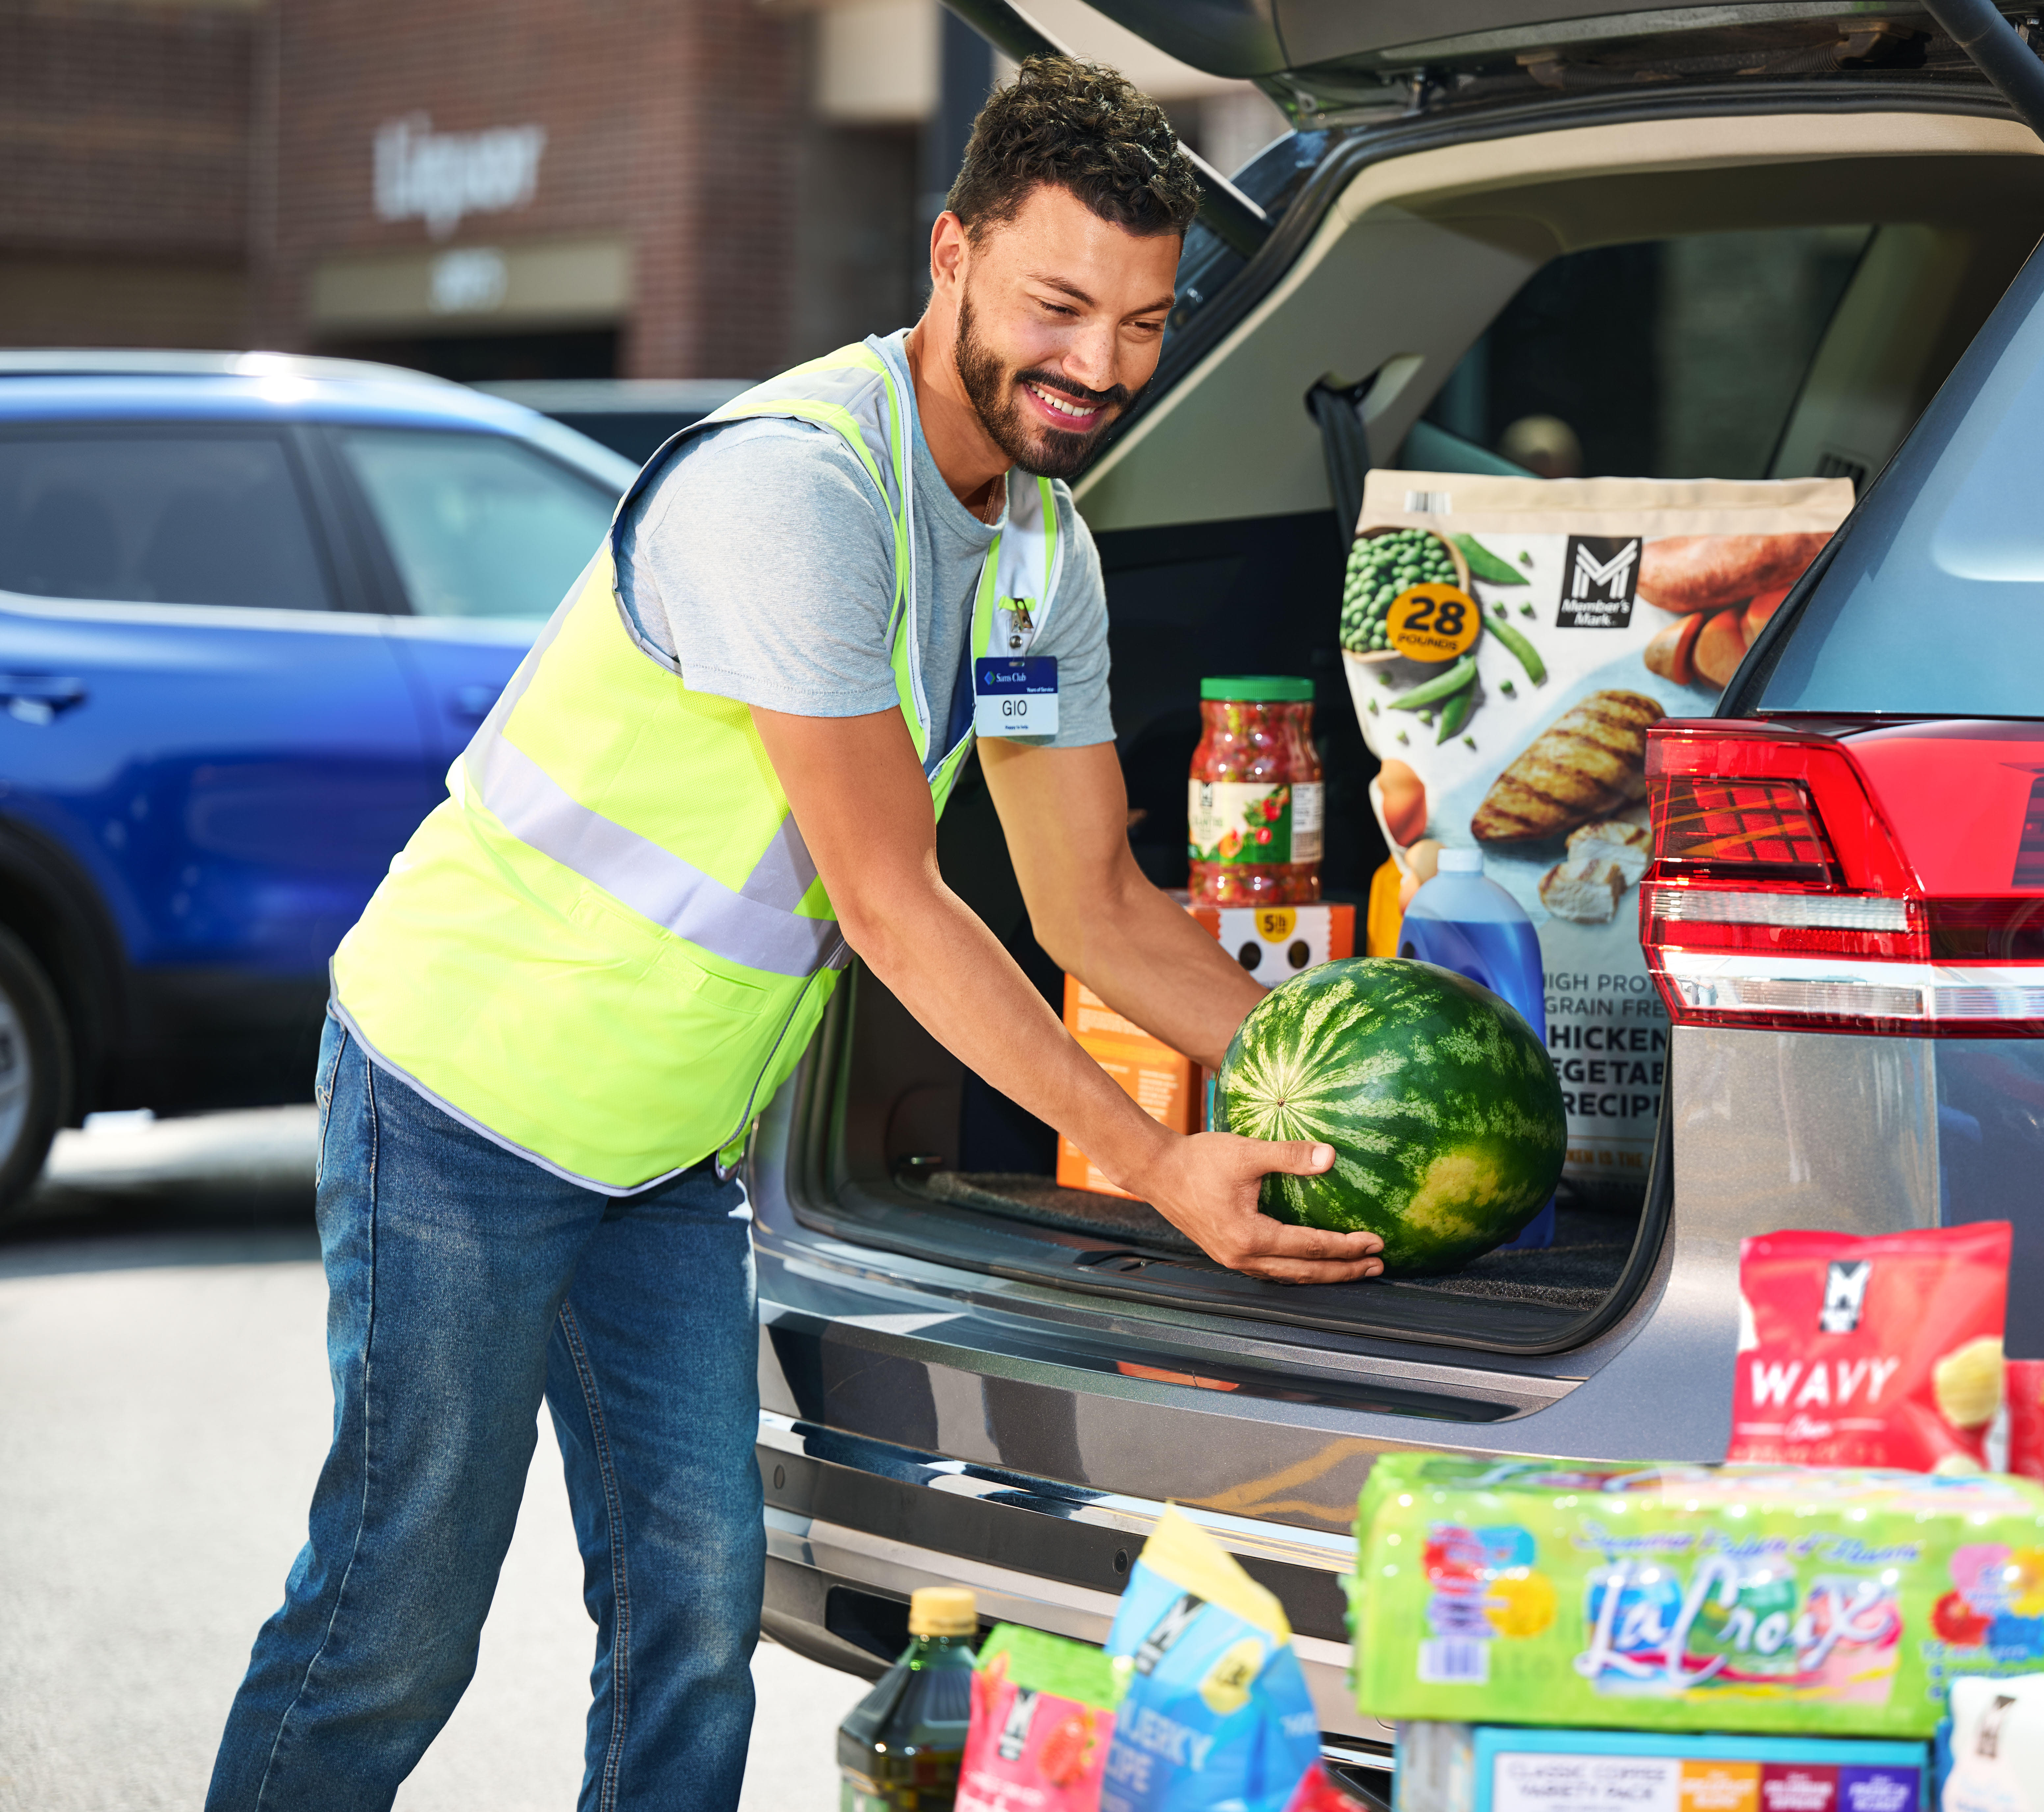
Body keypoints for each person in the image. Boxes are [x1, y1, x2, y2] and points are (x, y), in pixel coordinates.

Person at [205, 57, 1381, 1812]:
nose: (1100, 364)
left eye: (1142, 324)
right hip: (464, 1097)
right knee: (398, 1617)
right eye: (1058, 305)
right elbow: (894, 905)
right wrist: (1157, 1163)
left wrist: (1338, 1070)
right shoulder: (800, 492)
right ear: (952, 253)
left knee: (695, 1615)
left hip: (663, 1148)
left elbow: (1096, 905)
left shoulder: (1042, 552)